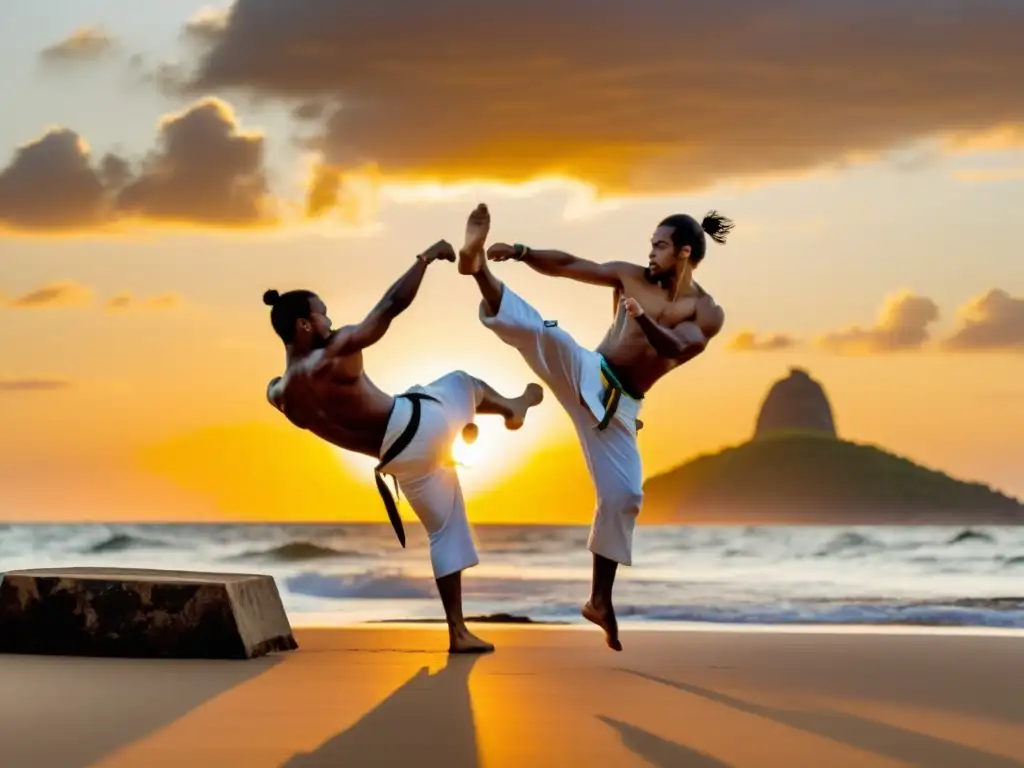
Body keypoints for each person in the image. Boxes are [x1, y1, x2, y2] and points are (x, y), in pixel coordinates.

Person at [458, 204, 731, 651]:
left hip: (621, 408)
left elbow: (680, 348)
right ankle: (479, 269)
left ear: (684, 253)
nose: (650, 254)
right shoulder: (630, 276)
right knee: (549, 336)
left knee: (625, 496)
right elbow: (571, 266)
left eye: (659, 246)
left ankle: (598, 602)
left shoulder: (706, 311)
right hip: (590, 371)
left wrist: (642, 318)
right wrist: (524, 252)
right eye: (650, 245)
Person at [263, 238, 544, 653]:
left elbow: (284, 390)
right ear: (304, 325)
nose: (329, 319)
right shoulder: (335, 351)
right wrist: (425, 258)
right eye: (322, 313)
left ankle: (458, 632)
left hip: (396, 462)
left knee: (444, 533)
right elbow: (390, 306)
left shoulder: (279, 394)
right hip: (416, 424)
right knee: (462, 382)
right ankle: (510, 408)